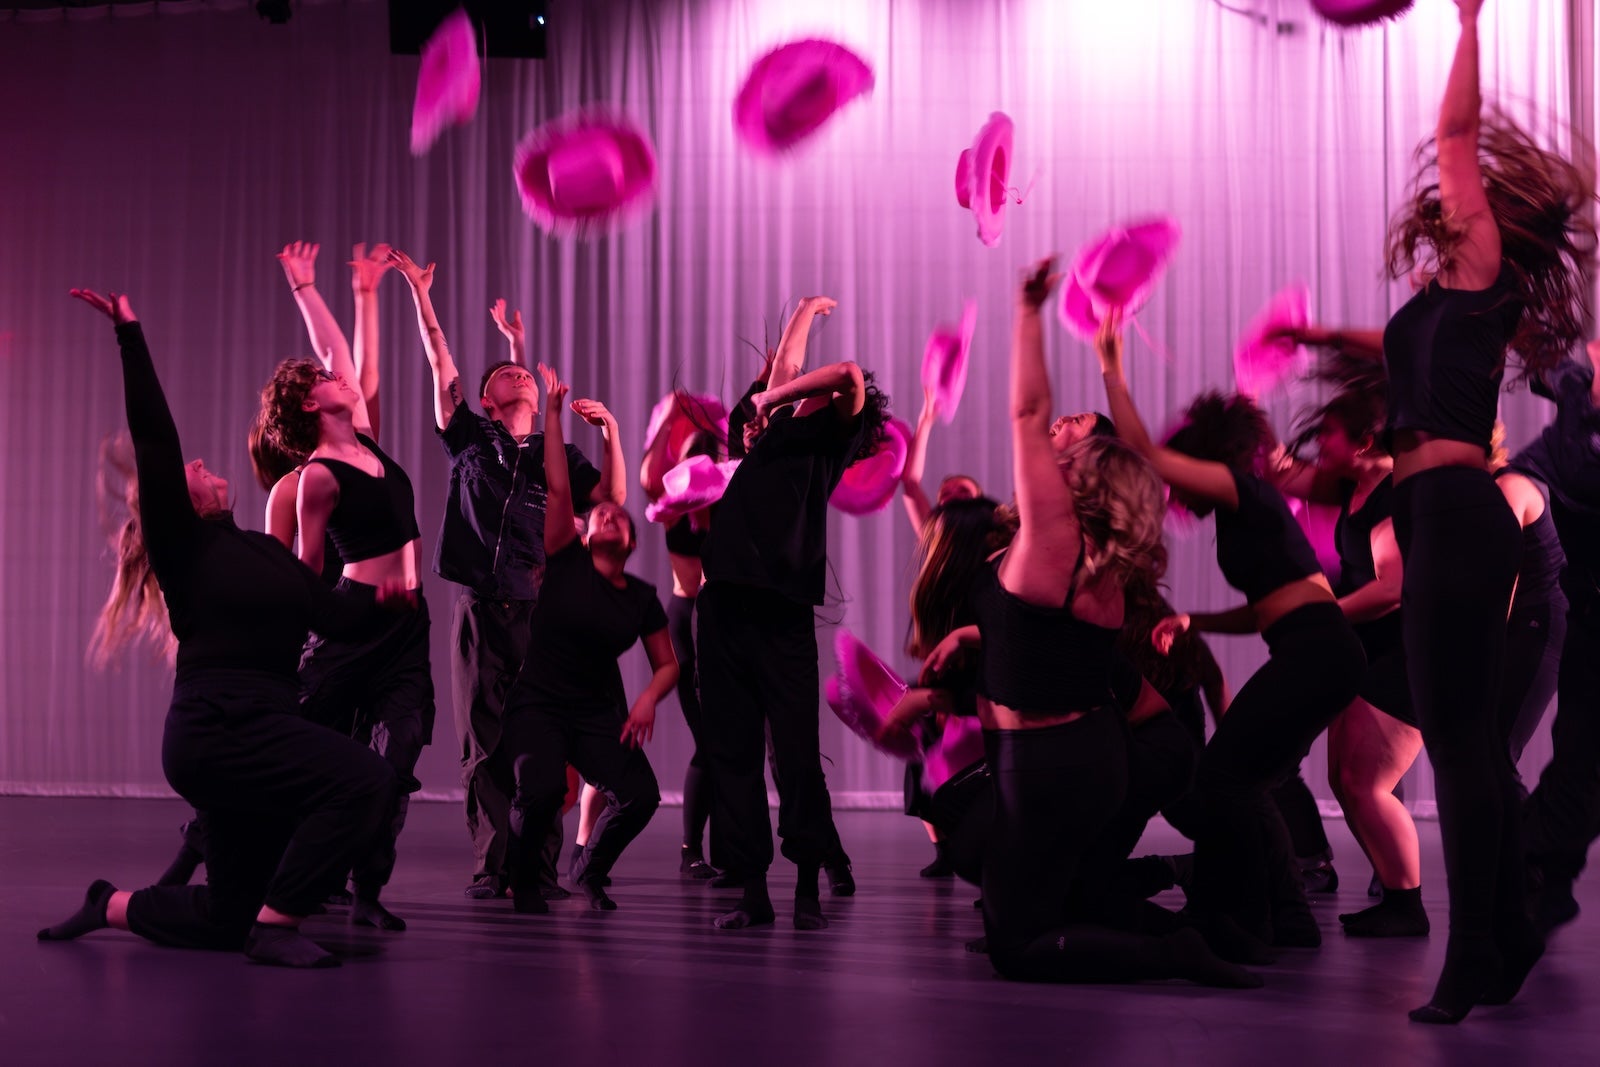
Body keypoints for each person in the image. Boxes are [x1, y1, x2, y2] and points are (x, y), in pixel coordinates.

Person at [38, 289, 400, 968]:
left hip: (259, 726)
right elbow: (155, 436)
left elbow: (334, 618)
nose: (201, 465)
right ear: (177, 502)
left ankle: (109, 903)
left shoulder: (265, 552)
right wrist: (129, 334)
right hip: (217, 730)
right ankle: (279, 926)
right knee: (365, 780)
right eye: (191, 471)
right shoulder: (185, 549)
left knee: (228, 915)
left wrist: (387, 598)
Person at [923, 258, 1255, 987]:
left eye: (1070, 449)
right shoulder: (1104, 563)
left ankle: (1173, 954)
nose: (1053, 448)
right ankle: (1202, 930)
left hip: (1044, 769)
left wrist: (1028, 309)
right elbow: (1042, 648)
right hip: (1089, 758)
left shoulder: (1054, 544)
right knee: (1064, 896)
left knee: (1016, 946)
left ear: (1081, 477)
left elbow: (1026, 414)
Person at [1378, 0, 1593, 1022]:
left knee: (1461, 743)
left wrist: (1467, 24)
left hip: (1459, 512)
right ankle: (1502, 933)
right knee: (1468, 742)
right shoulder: (1450, 297)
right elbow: (1404, 363)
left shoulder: (1482, 268)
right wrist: (1320, 340)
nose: (1460, 191)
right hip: (1434, 510)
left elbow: (1455, 134)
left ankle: (1474, 952)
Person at [1097, 313, 1366, 961]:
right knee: (1247, 781)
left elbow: (1142, 448)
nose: (1174, 487)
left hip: (1318, 652)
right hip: (1318, 649)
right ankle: (1285, 918)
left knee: (1222, 777)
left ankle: (1240, 919)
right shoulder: (1242, 512)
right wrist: (1198, 622)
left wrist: (1110, 364)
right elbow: (1273, 607)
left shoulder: (1242, 489)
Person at [388, 249, 623, 901]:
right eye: (507, 375)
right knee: (485, 745)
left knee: (543, 744)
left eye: (525, 372)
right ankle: (493, 866)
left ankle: (538, 868)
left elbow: (609, 499)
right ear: (488, 400)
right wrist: (422, 294)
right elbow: (441, 364)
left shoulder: (559, 455)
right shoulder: (469, 437)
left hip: (540, 613)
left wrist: (609, 431)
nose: (520, 376)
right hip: (479, 608)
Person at [698, 294, 888, 931]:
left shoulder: (829, 439)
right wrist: (803, 310)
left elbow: (847, 376)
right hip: (722, 602)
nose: (787, 391)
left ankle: (808, 882)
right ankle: (752, 891)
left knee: (797, 753)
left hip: (781, 611)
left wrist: (772, 399)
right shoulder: (766, 433)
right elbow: (783, 373)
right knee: (732, 750)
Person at [501, 367, 675, 912]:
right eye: (598, 513)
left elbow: (668, 664)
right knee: (543, 791)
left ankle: (589, 869)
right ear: (587, 532)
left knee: (642, 796)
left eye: (616, 515)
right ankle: (523, 881)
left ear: (630, 541)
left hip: (596, 712)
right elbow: (558, 486)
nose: (606, 514)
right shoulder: (563, 559)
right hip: (539, 704)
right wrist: (552, 415)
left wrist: (647, 699)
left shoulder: (640, 597)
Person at [1512, 338, 1600, 936]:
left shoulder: (1579, 440)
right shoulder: (1575, 410)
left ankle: (1536, 869)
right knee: (1577, 755)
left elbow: (1578, 472)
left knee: (1582, 767)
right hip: (1587, 615)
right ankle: (1546, 880)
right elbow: (1545, 358)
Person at [640, 419, 723, 878]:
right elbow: (649, 479)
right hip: (686, 619)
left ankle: (716, 849)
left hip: (721, 619)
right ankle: (691, 850)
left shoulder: (726, 499)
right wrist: (662, 424)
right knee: (708, 739)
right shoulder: (673, 506)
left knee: (722, 740)